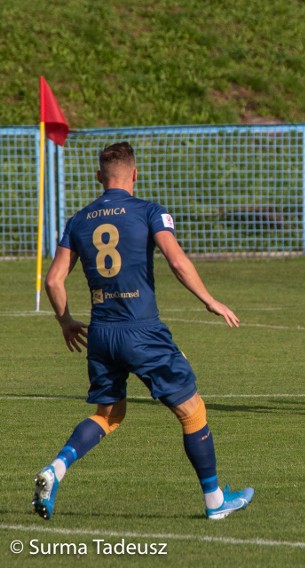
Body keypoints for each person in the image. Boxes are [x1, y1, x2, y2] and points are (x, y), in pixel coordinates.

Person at [34, 142, 253, 520]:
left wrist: (66, 321)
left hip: (101, 333)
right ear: (135, 174)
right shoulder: (150, 211)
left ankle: (56, 469)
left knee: (109, 413)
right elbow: (177, 260)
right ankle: (216, 502)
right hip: (142, 331)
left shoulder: (79, 220)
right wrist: (209, 300)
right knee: (193, 411)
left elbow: (54, 280)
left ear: (99, 177)